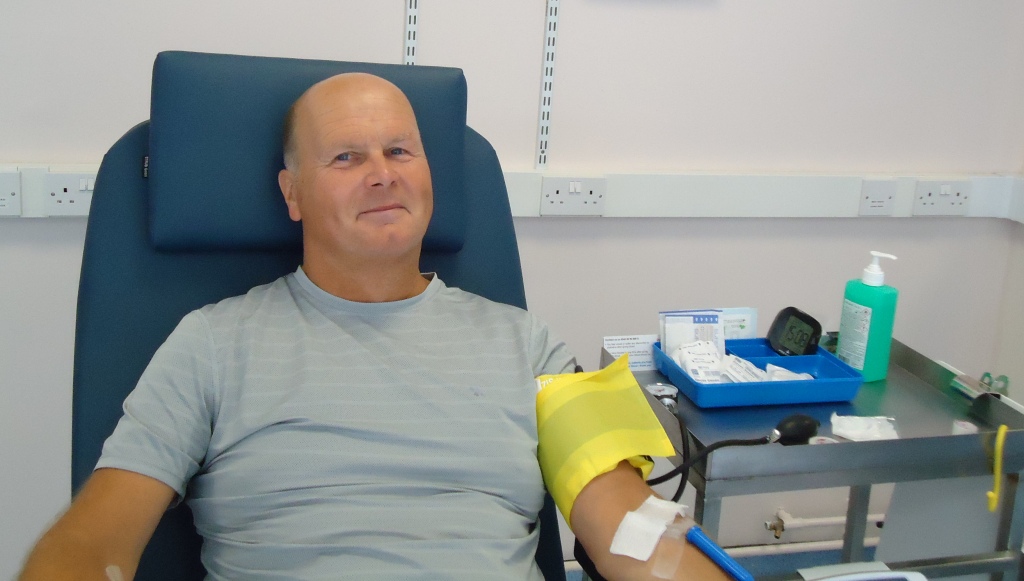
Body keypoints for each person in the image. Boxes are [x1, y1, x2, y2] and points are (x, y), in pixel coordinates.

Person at [19, 73, 729, 581]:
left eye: (400, 150)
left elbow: (631, 528)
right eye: (346, 157)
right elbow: (89, 544)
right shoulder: (210, 344)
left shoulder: (529, 345)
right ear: (291, 194)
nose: (382, 174)